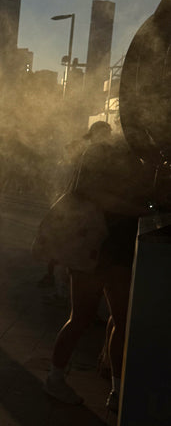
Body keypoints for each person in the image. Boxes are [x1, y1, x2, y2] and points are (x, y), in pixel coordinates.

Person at [44, 121, 153, 410]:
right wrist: (139, 209)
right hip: (96, 247)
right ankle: (75, 382)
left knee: (116, 320)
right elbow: (92, 194)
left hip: (109, 248)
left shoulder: (134, 155)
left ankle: (113, 388)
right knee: (89, 318)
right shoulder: (106, 152)